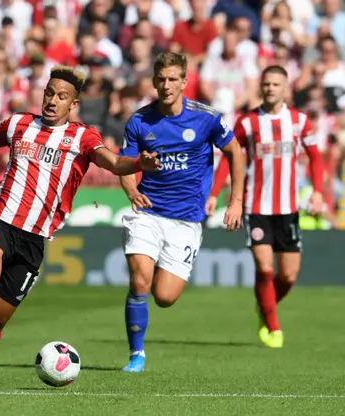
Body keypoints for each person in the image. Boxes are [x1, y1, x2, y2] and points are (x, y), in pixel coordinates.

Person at [0, 65, 161, 388]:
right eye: (49, 93)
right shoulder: (19, 124)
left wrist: (139, 164)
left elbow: (115, 162)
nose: (52, 101)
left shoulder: (83, 137)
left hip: (34, 239)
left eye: (61, 97)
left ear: (72, 104)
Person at [118, 52, 245, 373]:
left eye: (173, 79)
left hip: (186, 219)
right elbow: (124, 164)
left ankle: (160, 271)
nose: (166, 85)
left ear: (184, 82)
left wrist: (236, 200)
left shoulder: (207, 118)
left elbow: (235, 151)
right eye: (161, 79)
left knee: (164, 296)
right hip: (147, 211)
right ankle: (136, 355)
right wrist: (132, 189)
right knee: (140, 280)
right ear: (154, 82)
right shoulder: (139, 121)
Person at [206, 65, 323, 349]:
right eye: (266, 84)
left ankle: (264, 307)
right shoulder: (247, 123)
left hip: (288, 208)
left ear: (286, 88)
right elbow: (228, 157)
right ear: (260, 87)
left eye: (276, 84)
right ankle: (273, 326)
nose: (270, 88)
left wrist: (318, 192)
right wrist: (213, 194)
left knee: (289, 275)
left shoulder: (299, 121)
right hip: (256, 207)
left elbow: (315, 157)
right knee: (264, 266)